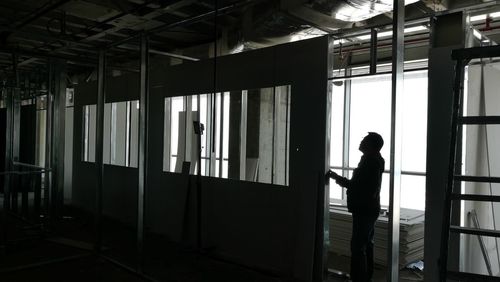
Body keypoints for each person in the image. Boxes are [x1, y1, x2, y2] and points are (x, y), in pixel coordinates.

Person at [326, 132, 385, 282]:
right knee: (367, 244)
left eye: (364, 140)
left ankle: (359, 279)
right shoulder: (374, 160)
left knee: (358, 247)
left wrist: (336, 178)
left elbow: (358, 186)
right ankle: (366, 277)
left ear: (371, 145)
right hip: (370, 209)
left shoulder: (370, 162)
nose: (361, 142)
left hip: (364, 210)